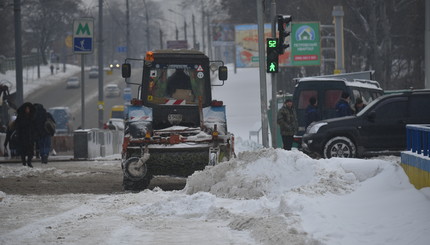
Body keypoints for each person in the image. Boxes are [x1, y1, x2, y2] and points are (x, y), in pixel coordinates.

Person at [15, 102, 36, 167]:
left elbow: (34, 126)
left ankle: (29, 162)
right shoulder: (20, 117)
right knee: (23, 151)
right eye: (26, 109)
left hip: (30, 136)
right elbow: (17, 126)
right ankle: (24, 162)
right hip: (22, 136)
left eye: (28, 109)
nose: (27, 110)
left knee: (30, 151)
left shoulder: (32, 116)